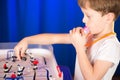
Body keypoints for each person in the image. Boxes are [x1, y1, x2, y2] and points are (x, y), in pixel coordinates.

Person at [14, 0, 120, 80]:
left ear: (108, 17)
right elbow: (54, 38)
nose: (83, 20)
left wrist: (79, 48)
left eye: (88, 16)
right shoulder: (89, 34)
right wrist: (27, 40)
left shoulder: (111, 46)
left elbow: (92, 78)